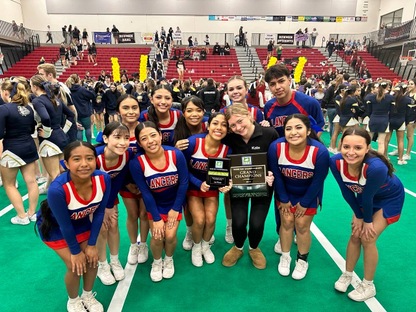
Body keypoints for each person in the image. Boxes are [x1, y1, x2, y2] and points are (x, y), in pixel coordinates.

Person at [330, 126, 404, 302]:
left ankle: (368, 285)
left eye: (358, 148)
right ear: (340, 145)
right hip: (365, 196)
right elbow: (347, 191)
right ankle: (347, 274)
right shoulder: (335, 162)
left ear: (368, 148)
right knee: (355, 234)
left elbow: (368, 196)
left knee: (367, 237)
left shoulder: (376, 167)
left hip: (388, 198)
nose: (351, 152)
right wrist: (358, 214)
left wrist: (366, 219)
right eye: (346, 147)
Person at [36, 141, 111, 312]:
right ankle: (73, 300)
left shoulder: (103, 179)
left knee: (93, 260)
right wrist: (76, 252)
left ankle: (87, 295)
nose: (84, 164)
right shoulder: (58, 189)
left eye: (89, 158)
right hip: (56, 228)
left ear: (95, 160)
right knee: (75, 265)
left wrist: (92, 245)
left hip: (82, 221)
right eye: (77, 159)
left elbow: (99, 213)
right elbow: (65, 225)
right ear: (66, 164)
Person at [268, 114, 329, 280]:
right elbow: (277, 176)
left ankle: (302, 260)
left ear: (308, 130)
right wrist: (284, 199)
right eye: (288, 129)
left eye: (299, 127)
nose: (293, 132)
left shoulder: (320, 152)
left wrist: (304, 203)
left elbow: (318, 181)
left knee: (302, 226)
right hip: (286, 192)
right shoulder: (276, 147)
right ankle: (285, 256)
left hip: (308, 193)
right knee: (286, 222)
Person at [129, 121, 189, 282]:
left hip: (173, 204)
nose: (150, 141)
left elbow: (183, 183)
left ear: (161, 136)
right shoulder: (137, 163)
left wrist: (176, 209)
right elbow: (146, 193)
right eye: (144, 138)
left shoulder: (175, 154)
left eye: (153, 135)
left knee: (169, 236)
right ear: (140, 143)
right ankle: (156, 262)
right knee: (156, 236)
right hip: (154, 205)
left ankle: (168, 260)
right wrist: (155, 218)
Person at [222, 103, 277, 269]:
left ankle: (254, 248)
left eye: (240, 121)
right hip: (238, 188)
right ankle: (238, 247)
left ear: (249, 116)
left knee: (256, 223)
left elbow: (276, 159)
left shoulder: (269, 133)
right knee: (238, 223)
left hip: (263, 187)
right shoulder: (230, 138)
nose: (238, 127)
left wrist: (271, 175)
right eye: (233, 125)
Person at [183, 112, 232, 266]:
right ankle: (196, 248)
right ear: (208, 126)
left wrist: (227, 183)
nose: (219, 127)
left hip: (211, 188)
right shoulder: (193, 142)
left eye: (224, 125)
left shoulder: (226, 149)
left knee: (210, 219)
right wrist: (198, 183)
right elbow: (183, 169)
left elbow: (227, 173)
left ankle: (205, 246)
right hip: (193, 187)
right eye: (216, 123)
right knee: (199, 220)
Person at [95, 122, 132, 285]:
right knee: (101, 229)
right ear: (105, 138)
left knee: (113, 224)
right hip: (91, 198)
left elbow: (118, 181)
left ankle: (114, 260)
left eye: (126, 138)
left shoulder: (127, 154)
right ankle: (102, 265)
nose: (122, 142)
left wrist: (109, 205)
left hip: (109, 195)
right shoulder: (95, 156)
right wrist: (104, 208)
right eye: (117, 137)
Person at [0, 80, 39, 225]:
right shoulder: (28, 108)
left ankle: (22, 216)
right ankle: (32, 213)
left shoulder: (4, 109)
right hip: (28, 146)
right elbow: (31, 129)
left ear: (7, 92)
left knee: (9, 184)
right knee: (31, 181)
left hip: (12, 149)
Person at [31, 75, 75, 195]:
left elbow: (45, 117)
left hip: (49, 141)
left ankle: (61, 201)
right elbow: (71, 114)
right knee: (62, 171)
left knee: (55, 175)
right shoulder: (55, 99)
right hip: (61, 136)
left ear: (35, 87)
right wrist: (64, 129)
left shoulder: (38, 100)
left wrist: (47, 131)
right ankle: (67, 195)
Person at [264, 64, 325, 138]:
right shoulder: (268, 107)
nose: (277, 87)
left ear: (289, 81)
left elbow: (319, 127)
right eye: (272, 84)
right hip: (280, 148)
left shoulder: (309, 103)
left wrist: (309, 145)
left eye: (281, 81)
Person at [366, 81, 394, 155]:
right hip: (384, 120)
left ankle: (367, 156)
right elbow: (392, 111)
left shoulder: (371, 97)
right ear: (387, 87)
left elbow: (368, 111)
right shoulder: (391, 98)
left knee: (368, 141)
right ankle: (379, 160)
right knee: (381, 143)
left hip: (373, 119)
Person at [386, 84, 411, 165]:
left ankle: (385, 157)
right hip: (401, 120)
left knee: (386, 140)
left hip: (391, 120)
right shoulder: (407, 99)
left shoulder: (390, 98)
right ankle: (400, 159)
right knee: (400, 140)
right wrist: (406, 122)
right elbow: (408, 113)